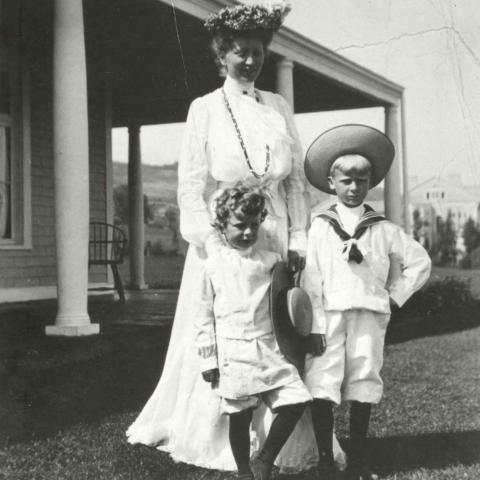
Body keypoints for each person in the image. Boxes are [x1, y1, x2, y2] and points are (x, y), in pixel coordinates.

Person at [127, 2, 344, 473]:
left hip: (278, 233)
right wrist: (211, 243)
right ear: (222, 54)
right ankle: (221, 434)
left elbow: (292, 184)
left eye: (258, 53)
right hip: (227, 236)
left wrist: (300, 239)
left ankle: (279, 439)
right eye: (240, 52)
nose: (249, 61)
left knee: (280, 330)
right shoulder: (204, 109)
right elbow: (190, 185)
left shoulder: (279, 106)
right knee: (227, 325)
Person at [302, 124, 432, 479]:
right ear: (331, 183)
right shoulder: (319, 226)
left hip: (370, 315)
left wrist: (393, 298)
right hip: (328, 315)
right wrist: (313, 324)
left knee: (363, 379)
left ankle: (357, 459)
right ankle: (327, 462)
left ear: (371, 183)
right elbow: (311, 277)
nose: (354, 187)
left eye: (362, 180)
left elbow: (420, 263)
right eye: (346, 181)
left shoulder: (383, 228)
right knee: (323, 382)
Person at [197, 186, 312, 480]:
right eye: (239, 225)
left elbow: (285, 301)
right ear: (222, 224)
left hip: (268, 346)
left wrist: (293, 270)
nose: (248, 232)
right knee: (240, 414)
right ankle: (245, 471)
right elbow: (203, 317)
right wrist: (208, 360)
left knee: (296, 398)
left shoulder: (272, 261)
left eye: (254, 225)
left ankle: (264, 458)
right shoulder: (212, 267)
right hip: (233, 350)